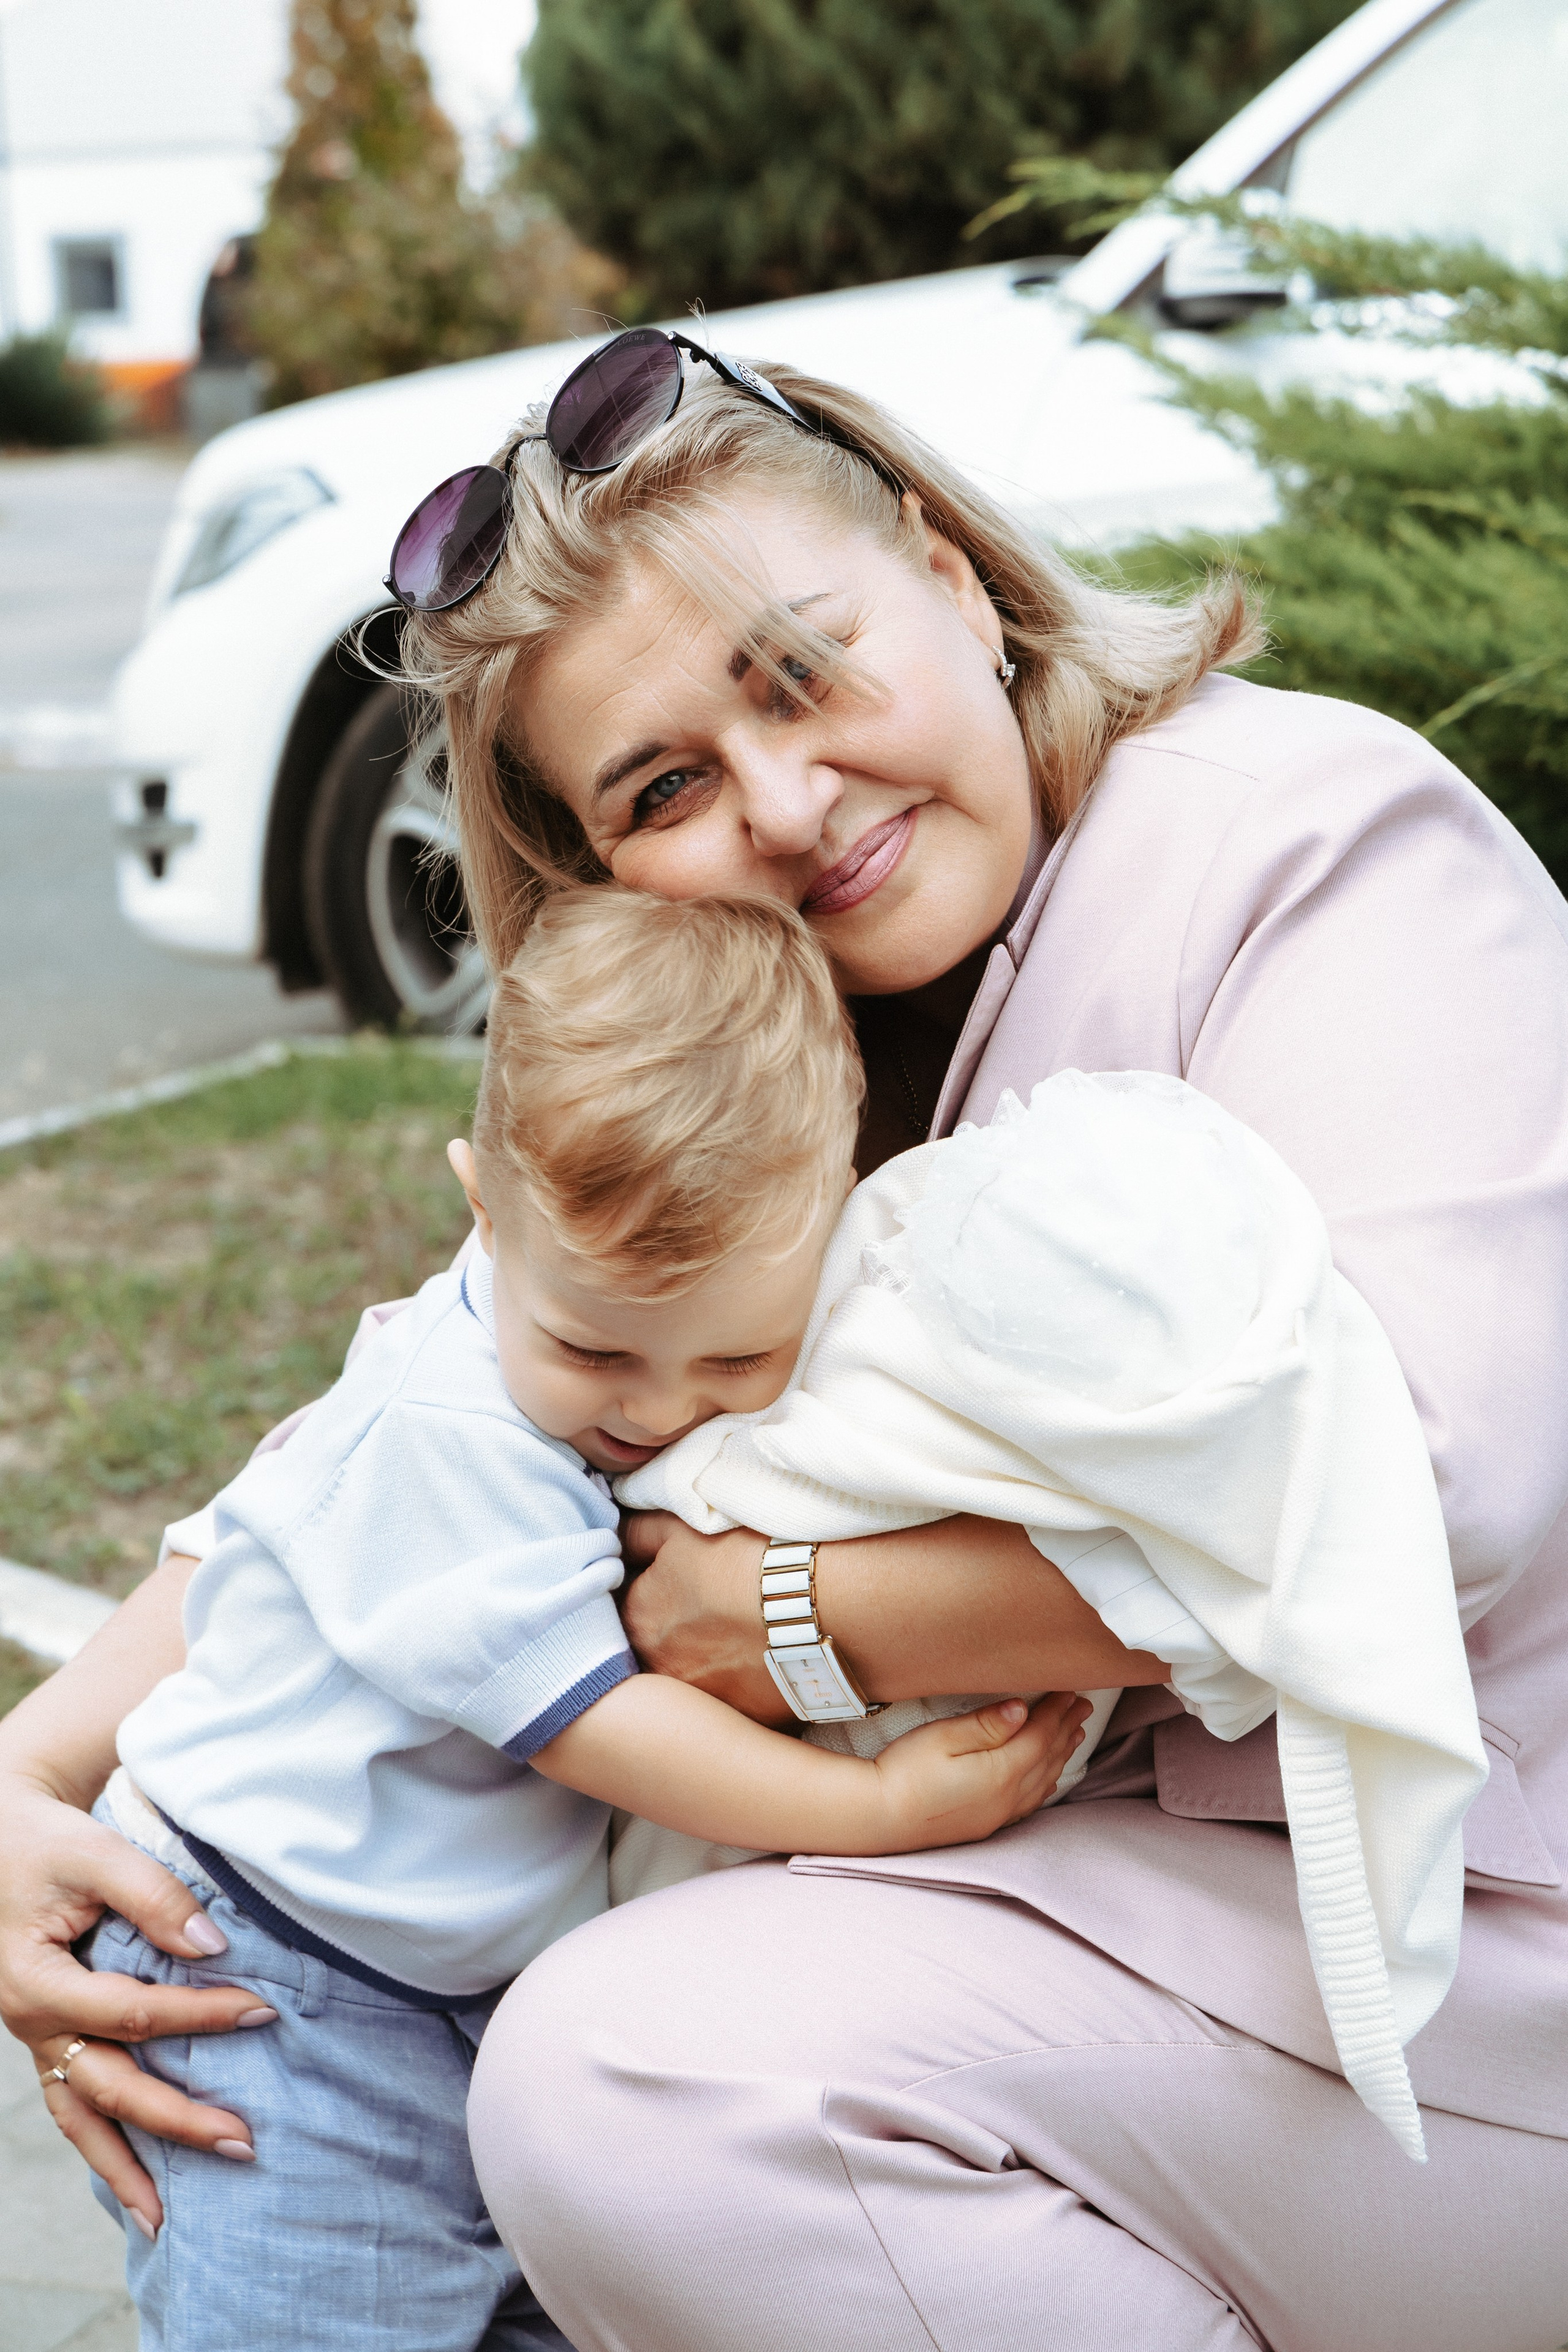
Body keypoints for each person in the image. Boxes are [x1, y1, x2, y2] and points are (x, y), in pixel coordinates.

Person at [3, 334, 1566, 2350]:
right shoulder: (773, 1033)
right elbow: (437, 1411)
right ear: (591, 872)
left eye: (797, 671)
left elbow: (1433, 1490)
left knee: (645, 2079)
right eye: (665, 786)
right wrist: (40, 1779)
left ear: (942, 562)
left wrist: (801, 1618)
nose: (787, 802)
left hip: (1475, 1950)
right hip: (1122, 1953)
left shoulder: (1296, 832)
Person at [75, 884, 1088, 2352]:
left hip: (429, 1978)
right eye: (593, 1347)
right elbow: (595, 1727)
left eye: (736, 1354)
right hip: (262, 1967)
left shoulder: (605, 1376)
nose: (658, 1410)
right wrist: (869, 1807)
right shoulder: (447, 1425)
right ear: (481, 1203)